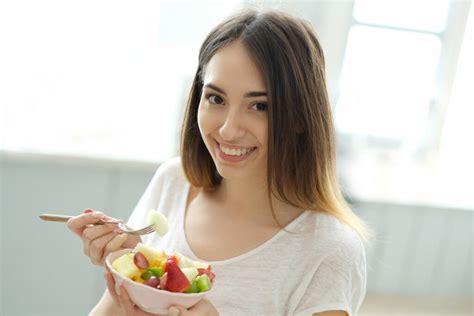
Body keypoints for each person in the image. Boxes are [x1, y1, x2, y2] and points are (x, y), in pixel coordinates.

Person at [68, 8, 370, 316]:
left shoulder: (329, 251)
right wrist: (128, 271)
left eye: (260, 106)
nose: (228, 129)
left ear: (300, 118)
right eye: (216, 98)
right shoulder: (174, 181)